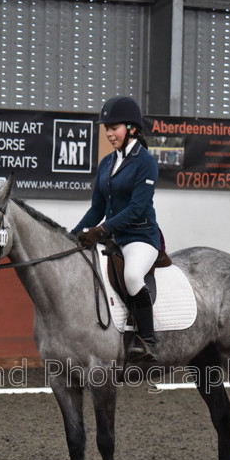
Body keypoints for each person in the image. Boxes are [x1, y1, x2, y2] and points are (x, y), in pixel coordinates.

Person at [72, 96, 161, 364]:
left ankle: (148, 340)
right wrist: (73, 233)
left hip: (140, 237)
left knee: (133, 276)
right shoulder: (107, 163)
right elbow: (96, 207)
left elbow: (136, 208)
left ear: (132, 128)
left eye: (114, 127)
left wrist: (100, 231)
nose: (109, 133)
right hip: (112, 238)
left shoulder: (145, 162)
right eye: (106, 128)